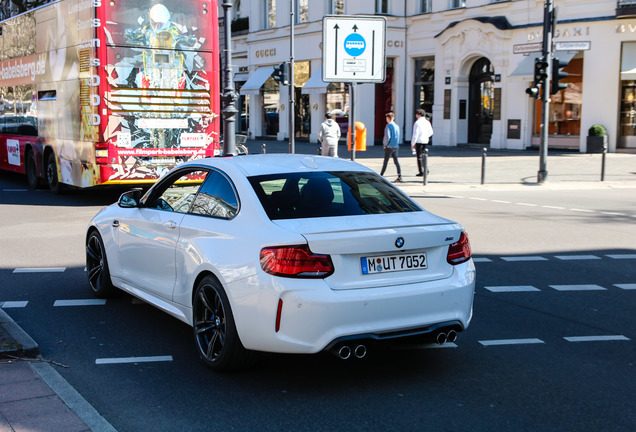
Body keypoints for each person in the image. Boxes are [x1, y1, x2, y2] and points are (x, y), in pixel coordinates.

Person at [380, 111, 402, 182]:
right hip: (396, 146)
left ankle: (381, 175)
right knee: (396, 161)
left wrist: (385, 145)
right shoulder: (397, 126)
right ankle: (399, 175)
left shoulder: (388, 126)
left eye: (386, 118)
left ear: (388, 118)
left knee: (385, 161)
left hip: (389, 146)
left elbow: (387, 137)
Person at [411, 108, 434, 176]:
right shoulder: (427, 122)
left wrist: (413, 143)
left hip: (419, 141)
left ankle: (421, 171)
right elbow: (431, 132)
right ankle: (426, 169)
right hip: (425, 140)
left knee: (419, 156)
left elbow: (415, 134)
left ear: (418, 115)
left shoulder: (417, 123)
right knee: (424, 155)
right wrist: (426, 136)